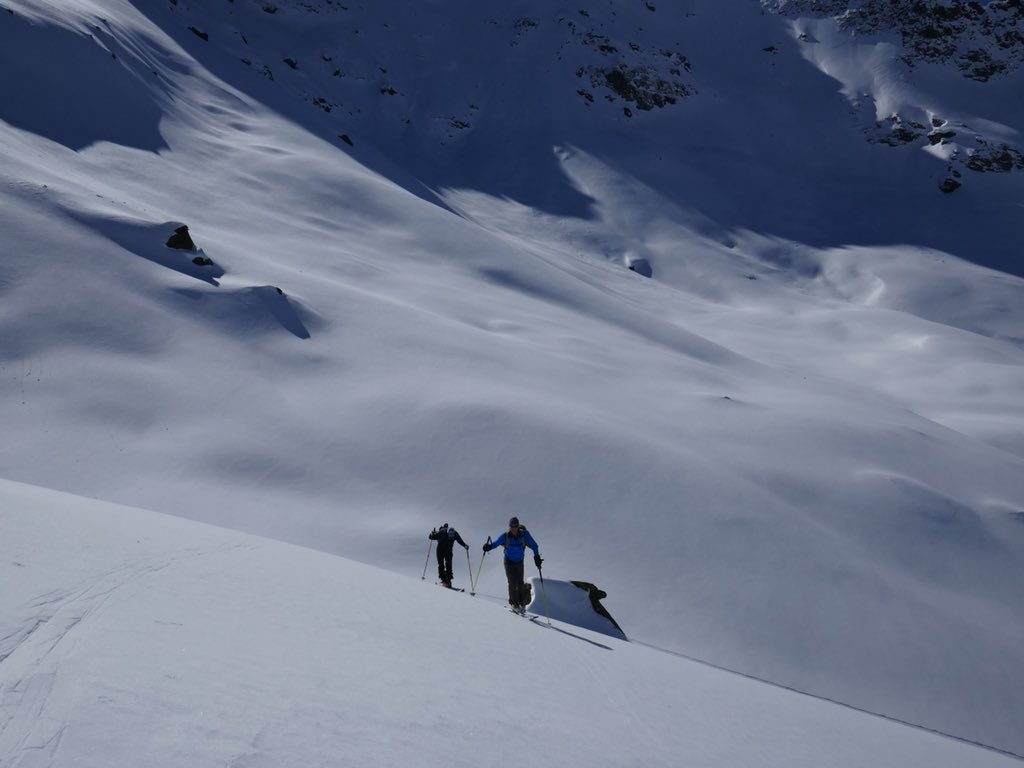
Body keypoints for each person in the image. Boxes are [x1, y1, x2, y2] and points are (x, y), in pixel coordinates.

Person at [483, 516, 542, 613]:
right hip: (508, 561)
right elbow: (496, 544)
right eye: (512, 526)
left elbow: (534, 546)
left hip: (519, 561)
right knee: (512, 582)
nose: (514, 528)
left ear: (518, 526)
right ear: (509, 527)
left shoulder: (524, 535)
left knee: (520, 582)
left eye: (515, 526)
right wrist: (488, 547)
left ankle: (521, 604)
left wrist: (537, 557)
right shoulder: (505, 536)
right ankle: (514, 604)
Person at [428, 523, 468, 588]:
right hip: (440, 550)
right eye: (450, 535)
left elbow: (459, 540)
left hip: (449, 550)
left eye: (452, 536)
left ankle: (448, 580)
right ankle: (443, 580)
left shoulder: (455, 534)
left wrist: (465, 545)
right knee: (441, 564)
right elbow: (430, 537)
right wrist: (432, 534)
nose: (451, 537)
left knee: (449, 564)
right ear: (447, 532)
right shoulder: (442, 533)